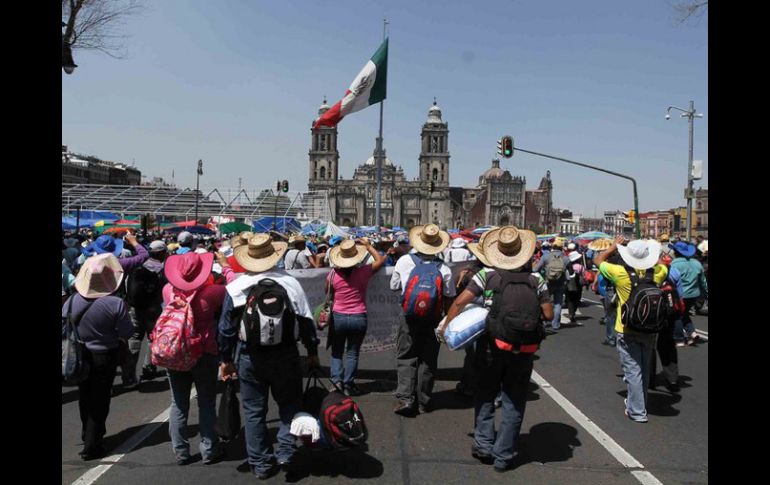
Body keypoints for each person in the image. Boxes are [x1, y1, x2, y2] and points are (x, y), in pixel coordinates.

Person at [444, 226, 553, 472]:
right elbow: (547, 314)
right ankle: (504, 455)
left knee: (485, 394)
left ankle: (483, 446)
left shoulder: (487, 275)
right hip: (523, 350)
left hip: (492, 346)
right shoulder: (537, 280)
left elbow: (460, 302)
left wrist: (446, 327)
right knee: (514, 401)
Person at [218, 234, 320, 480]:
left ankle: (261, 463)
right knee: (289, 404)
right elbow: (306, 321)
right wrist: (312, 351)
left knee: (254, 411)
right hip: (285, 353)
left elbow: (225, 329)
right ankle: (285, 450)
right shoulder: (289, 283)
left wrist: (225, 359)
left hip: (249, 356)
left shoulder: (236, 288)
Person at [162, 250, 236, 466]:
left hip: (175, 350)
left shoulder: (168, 290)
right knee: (206, 402)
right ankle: (209, 449)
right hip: (204, 352)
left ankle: (181, 452)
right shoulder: (213, 292)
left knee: (178, 403)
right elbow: (235, 288)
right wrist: (225, 268)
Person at [62, 254, 133, 460]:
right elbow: (126, 331)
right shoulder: (115, 303)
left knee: (85, 396)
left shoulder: (72, 301)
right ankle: (93, 443)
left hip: (80, 354)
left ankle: (87, 434)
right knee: (100, 399)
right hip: (105, 355)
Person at [594, 236, 668, 423]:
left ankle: (637, 410)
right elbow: (664, 265)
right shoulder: (657, 273)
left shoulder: (620, 273)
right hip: (650, 328)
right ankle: (639, 403)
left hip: (626, 327)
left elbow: (598, 260)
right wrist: (654, 249)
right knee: (643, 368)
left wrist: (614, 246)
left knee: (633, 370)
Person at [390, 224, 455, 416]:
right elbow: (449, 295)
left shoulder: (403, 261)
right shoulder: (444, 268)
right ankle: (424, 401)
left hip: (408, 317)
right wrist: (447, 322)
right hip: (433, 318)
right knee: (428, 359)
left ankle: (405, 399)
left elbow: (394, 286)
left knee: (406, 356)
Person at [326, 238, 386, 395]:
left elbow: (327, 291)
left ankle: (336, 381)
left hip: (338, 316)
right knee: (352, 353)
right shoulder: (364, 271)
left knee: (337, 351)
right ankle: (348, 384)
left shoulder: (333, 274)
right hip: (359, 316)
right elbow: (380, 260)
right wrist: (368, 246)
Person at [121, 240, 169, 388]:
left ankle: (128, 377)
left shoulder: (137, 266)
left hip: (134, 308)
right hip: (153, 309)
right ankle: (149, 366)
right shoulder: (162, 268)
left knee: (134, 340)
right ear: (161, 253)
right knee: (153, 339)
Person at [669, 241, 708, 346]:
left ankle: (679, 338)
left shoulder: (674, 264)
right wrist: (706, 294)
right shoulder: (696, 263)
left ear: (676, 252)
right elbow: (703, 282)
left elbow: (671, 279)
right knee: (684, 313)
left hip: (679, 294)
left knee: (677, 315)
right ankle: (692, 333)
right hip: (694, 294)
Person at [533, 239, 569, 331]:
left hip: (548, 283)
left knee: (544, 301)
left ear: (552, 247)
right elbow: (571, 272)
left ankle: (544, 322)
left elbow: (536, 269)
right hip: (560, 283)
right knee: (558, 304)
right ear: (561, 248)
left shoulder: (546, 257)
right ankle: (556, 324)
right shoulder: (565, 258)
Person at [564, 251, 585, 325]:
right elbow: (583, 275)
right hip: (578, 284)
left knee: (570, 299)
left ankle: (571, 313)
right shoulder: (580, 266)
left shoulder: (568, 265)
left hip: (569, 284)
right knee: (577, 299)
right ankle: (573, 312)